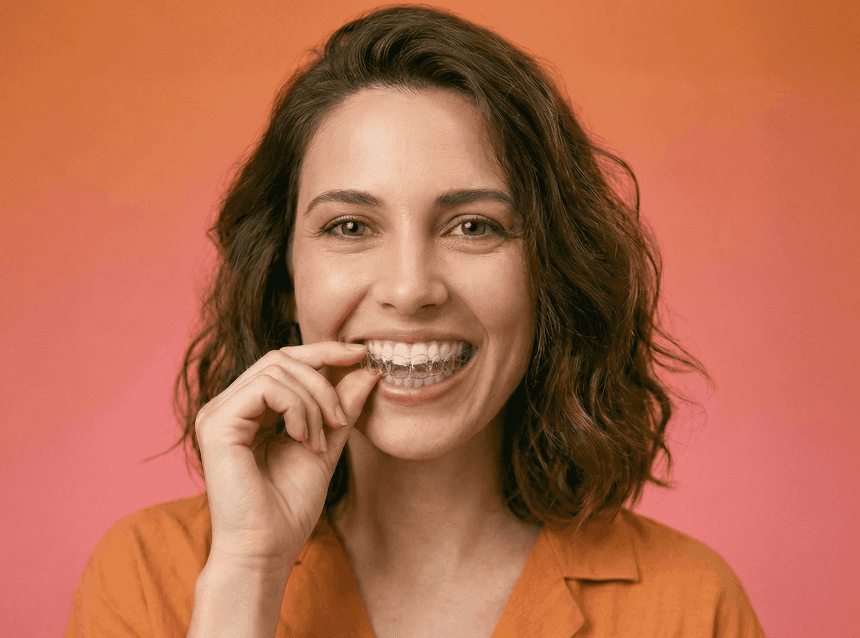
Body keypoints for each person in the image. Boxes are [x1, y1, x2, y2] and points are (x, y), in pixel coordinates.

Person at [66, 6, 765, 637]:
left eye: (472, 225)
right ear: (284, 278)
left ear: (548, 273)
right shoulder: (149, 578)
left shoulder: (688, 607)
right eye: (348, 225)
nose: (410, 288)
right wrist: (247, 570)